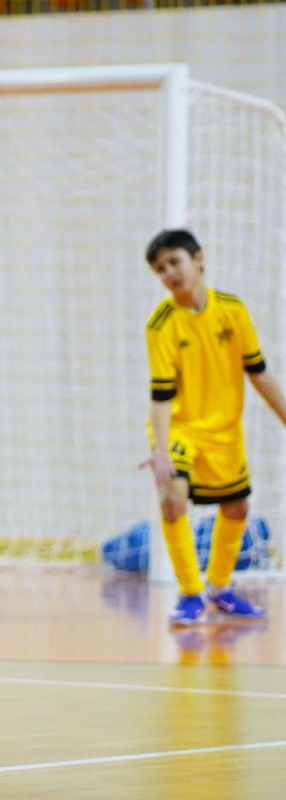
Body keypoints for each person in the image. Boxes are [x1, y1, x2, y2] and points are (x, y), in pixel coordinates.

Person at [142, 228, 286, 626]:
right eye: (160, 269)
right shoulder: (161, 325)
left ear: (199, 259)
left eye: (175, 262)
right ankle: (190, 593)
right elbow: (160, 395)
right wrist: (160, 450)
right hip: (179, 428)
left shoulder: (233, 311)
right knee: (173, 497)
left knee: (237, 507)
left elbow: (259, 373)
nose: (169, 273)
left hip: (224, 430)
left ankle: (219, 589)